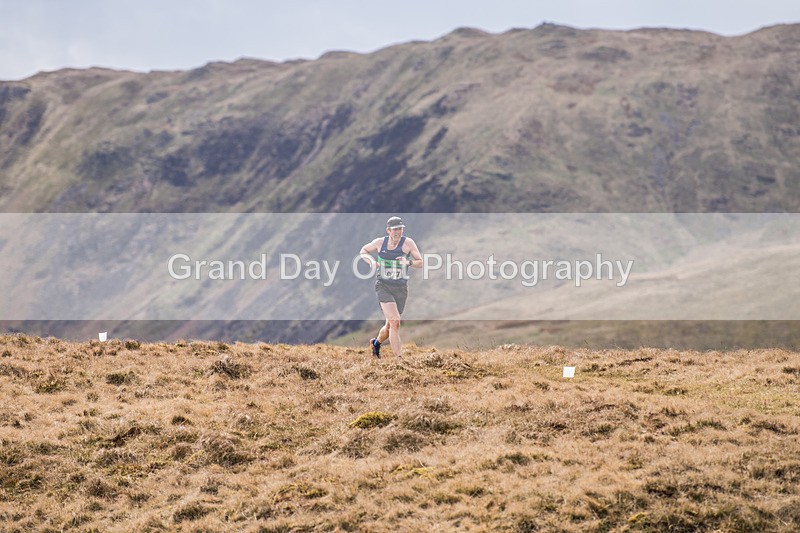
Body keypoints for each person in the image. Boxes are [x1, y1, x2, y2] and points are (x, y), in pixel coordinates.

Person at [359, 216, 423, 358]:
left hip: (400, 288)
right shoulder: (380, 243)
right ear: (388, 230)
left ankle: (376, 343)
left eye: (400, 229)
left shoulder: (408, 243)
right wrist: (371, 261)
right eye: (395, 229)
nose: (398, 232)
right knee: (395, 322)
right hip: (383, 286)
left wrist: (408, 262)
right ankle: (399, 360)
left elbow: (420, 262)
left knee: (389, 327)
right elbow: (363, 250)